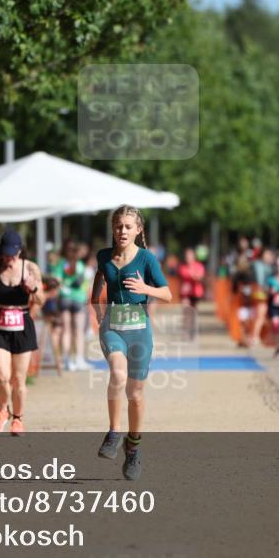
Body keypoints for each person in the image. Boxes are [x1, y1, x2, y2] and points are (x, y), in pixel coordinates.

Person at [92, 205, 172, 480]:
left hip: (139, 329)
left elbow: (167, 294)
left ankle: (133, 447)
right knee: (117, 374)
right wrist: (97, 307)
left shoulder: (147, 259)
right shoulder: (103, 256)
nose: (122, 231)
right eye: (118, 226)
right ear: (112, 230)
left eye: (128, 226)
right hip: (112, 326)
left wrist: (145, 289)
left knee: (135, 394)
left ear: (138, 230)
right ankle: (114, 433)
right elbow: (99, 278)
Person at [0, 230, 44, 436]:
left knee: (18, 378)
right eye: (5, 254)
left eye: (12, 254)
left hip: (22, 325)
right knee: (1, 375)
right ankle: (2, 410)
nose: (8, 258)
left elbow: (42, 300)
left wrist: (33, 289)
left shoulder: (31, 268)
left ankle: (18, 418)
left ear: (20, 251)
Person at [58, 241, 91, 371]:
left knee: (66, 330)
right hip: (78, 299)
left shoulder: (62, 264)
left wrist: (65, 289)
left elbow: (57, 281)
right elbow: (84, 284)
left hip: (64, 298)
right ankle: (79, 359)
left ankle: (66, 360)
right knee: (79, 331)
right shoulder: (80, 266)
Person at [177, 247, 206, 339]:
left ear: (193, 256)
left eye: (189, 255)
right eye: (186, 256)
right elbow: (185, 275)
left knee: (194, 312)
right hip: (185, 293)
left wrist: (194, 275)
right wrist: (194, 275)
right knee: (186, 311)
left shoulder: (199, 265)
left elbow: (200, 277)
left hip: (196, 292)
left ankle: (192, 331)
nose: (188, 257)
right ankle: (185, 331)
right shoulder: (182, 267)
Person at [231, 255, 257, 347]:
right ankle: (243, 339)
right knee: (243, 322)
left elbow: (251, 287)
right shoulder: (237, 275)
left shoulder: (249, 274)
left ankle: (246, 339)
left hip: (248, 302)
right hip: (241, 302)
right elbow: (233, 289)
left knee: (246, 322)